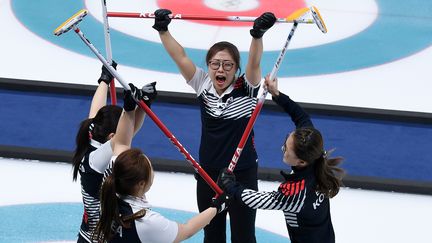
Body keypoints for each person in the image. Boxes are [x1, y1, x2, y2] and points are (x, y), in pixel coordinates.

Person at [152, 8, 277, 242]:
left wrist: (257, 35)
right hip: (208, 174)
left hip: (242, 174)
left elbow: (254, 61)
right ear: (208, 66)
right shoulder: (203, 84)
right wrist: (163, 30)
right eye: (215, 64)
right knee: (212, 235)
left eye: (227, 65)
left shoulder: (247, 88)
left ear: (236, 70)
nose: (221, 69)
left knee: (244, 236)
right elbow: (180, 57)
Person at [218, 75, 345, 243]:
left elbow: (258, 200)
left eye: (286, 150)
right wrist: (276, 94)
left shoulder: (295, 193)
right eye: (286, 142)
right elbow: (301, 117)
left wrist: (231, 186)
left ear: (301, 162)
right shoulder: (312, 149)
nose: (282, 148)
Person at [72, 62, 157, 243]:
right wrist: (133, 108)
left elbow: (100, 111)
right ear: (111, 135)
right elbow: (124, 137)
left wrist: (105, 79)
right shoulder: (96, 159)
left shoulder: (93, 130)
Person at [93, 148, 229, 243]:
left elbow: (122, 143)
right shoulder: (146, 221)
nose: (153, 172)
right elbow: (187, 230)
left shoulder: (108, 196)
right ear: (141, 184)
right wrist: (217, 206)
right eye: (150, 168)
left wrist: (135, 110)